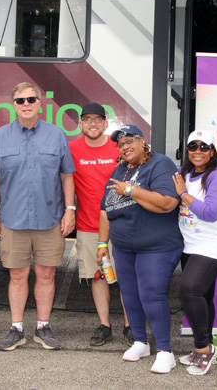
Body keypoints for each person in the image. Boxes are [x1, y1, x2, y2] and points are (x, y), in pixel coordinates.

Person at [0, 82, 76, 351]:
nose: (26, 104)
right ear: (12, 104)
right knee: (17, 275)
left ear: (40, 103)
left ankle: (42, 327)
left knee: (46, 275)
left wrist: (70, 210)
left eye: (31, 99)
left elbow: (66, 175)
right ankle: (17, 329)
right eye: (20, 100)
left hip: (50, 217)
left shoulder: (57, 135)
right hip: (13, 218)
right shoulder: (0, 136)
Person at [97, 124, 183, 374]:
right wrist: (103, 243)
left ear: (142, 142)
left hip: (156, 246)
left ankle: (166, 351)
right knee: (130, 295)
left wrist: (132, 191)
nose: (125, 146)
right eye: (121, 144)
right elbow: (105, 209)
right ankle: (140, 342)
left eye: (130, 141)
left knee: (151, 294)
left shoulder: (160, 164)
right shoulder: (120, 169)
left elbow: (168, 203)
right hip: (124, 246)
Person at [171, 130, 217, 376]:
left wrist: (183, 194)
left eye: (203, 146)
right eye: (192, 146)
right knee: (204, 295)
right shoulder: (184, 173)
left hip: (214, 244)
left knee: (189, 290)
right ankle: (205, 345)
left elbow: (211, 212)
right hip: (191, 244)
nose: (197, 150)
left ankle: (203, 349)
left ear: (212, 151)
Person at [69, 102, 132, 347]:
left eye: (98, 119)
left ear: (106, 123)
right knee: (98, 277)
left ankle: (130, 326)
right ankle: (105, 325)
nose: (92, 123)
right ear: (81, 124)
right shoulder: (72, 148)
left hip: (123, 223)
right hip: (88, 225)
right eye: (87, 119)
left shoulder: (119, 147)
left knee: (126, 276)